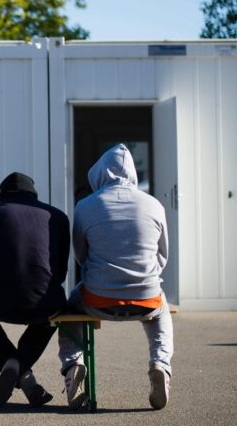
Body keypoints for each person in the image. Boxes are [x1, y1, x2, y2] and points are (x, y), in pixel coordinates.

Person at [58, 143, 174, 410]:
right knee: (161, 310)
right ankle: (161, 364)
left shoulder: (86, 206)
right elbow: (162, 256)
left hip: (97, 300)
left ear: (100, 174)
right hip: (146, 299)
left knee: (67, 310)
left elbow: (80, 255)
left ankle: (73, 364)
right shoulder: (154, 205)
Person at [0, 172, 70, 407]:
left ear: (3, 196)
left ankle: (11, 362)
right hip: (44, 300)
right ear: (33, 194)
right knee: (55, 309)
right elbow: (61, 272)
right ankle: (23, 371)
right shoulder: (58, 217)